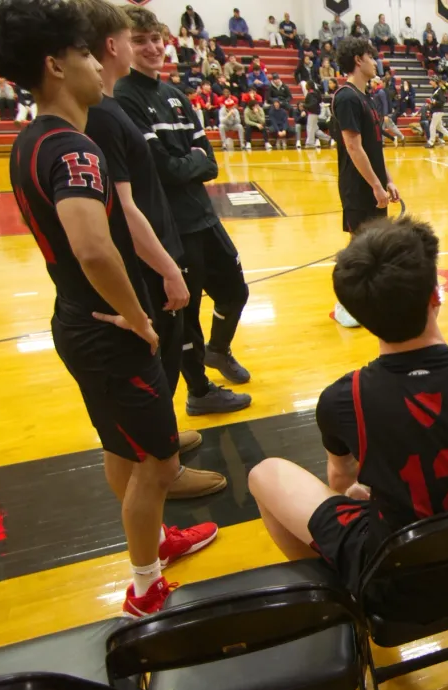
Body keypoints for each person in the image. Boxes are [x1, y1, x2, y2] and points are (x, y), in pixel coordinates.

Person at [0, 0, 219, 616]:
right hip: (109, 330)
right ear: (56, 65)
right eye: (84, 53)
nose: (95, 61)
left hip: (77, 322)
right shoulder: (75, 151)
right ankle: (145, 589)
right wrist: (137, 316)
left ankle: (156, 544)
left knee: (122, 448)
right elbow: (93, 247)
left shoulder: (31, 140)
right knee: (159, 465)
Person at [249, 218, 448, 600]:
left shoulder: (341, 399)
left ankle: (337, 602)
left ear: (360, 318)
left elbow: (341, 486)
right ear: (436, 296)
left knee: (265, 474)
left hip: (399, 590)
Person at [76, 0, 228, 500]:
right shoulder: (103, 114)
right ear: (111, 45)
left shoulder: (112, 108)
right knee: (155, 351)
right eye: (131, 37)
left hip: (163, 239)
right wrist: (166, 266)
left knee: (167, 340)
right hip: (146, 256)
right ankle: (164, 469)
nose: (149, 46)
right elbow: (123, 208)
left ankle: (163, 440)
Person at [117, 5, 253, 412]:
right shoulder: (124, 99)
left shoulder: (174, 94)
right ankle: (199, 391)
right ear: (121, 46)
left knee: (235, 290)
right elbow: (163, 170)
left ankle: (219, 350)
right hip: (172, 227)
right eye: (140, 41)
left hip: (204, 216)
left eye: (156, 39)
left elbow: (208, 161)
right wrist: (188, 164)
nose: (152, 47)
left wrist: (187, 165)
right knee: (186, 312)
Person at [331, 36, 399, 329]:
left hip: (373, 182)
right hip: (357, 186)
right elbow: (354, 147)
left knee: (375, 243)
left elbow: (374, 146)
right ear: (358, 60)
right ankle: (342, 303)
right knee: (358, 245)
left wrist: (388, 180)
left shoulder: (367, 97)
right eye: (371, 57)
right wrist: (374, 185)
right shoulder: (346, 96)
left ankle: (368, 299)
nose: (376, 62)